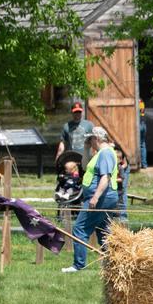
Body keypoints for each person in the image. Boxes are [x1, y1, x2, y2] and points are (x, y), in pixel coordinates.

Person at [62, 126, 119, 273]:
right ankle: (113, 263)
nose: (90, 141)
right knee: (103, 231)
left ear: (97, 138)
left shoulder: (105, 153)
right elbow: (86, 165)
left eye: (91, 138)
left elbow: (105, 177)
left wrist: (95, 197)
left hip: (100, 198)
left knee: (80, 228)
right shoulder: (101, 153)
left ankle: (78, 265)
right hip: (106, 198)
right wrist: (87, 148)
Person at [55, 102, 94, 169]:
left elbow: (94, 141)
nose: (77, 114)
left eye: (79, 112)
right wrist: (58, 157)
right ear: (72, 113)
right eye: (75, 112)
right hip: (71, 158)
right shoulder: (67, 126)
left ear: (82, 112)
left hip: (86, 157)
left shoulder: (89, 125)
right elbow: (62, 144)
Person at [115, 145, 130, 222]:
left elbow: (121, 179)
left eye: (119, 158)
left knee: (121, 198)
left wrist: (113, 179)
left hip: (119, 188)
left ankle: (123, 218)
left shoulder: (120, 167)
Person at [139, 100, 148, 169]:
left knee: (136, 144)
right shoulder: (141, 102)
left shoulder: (137, 101)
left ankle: (139, 164)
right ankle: (144, 164)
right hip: (143, 124)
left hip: (138, 123)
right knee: (142, 144)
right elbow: (142, 111)